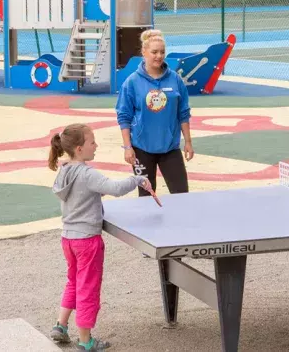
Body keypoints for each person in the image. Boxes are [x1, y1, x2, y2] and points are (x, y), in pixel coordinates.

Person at [47, 123, 154, 351]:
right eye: (92, 142)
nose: (96, 145)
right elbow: (114, 188)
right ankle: (86, 341)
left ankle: (61, 325)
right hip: (87, 241)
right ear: (78, 149)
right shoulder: (87, 173)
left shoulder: (64, 171)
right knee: (88, 288)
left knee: (74, 281)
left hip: (68, 238)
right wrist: (138, 179)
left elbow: (87, 192)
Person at [115, 29, 193, 197]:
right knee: (146, 196)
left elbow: (183, 112)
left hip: (170, 147)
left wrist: (187, 142)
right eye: (154, 52)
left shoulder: (175, 79)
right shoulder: (132, 82)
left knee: (182, 194)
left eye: (162, 52)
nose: (159, 56)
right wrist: (128, 147)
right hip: (141, 149)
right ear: (144, 52)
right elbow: (124, 116)